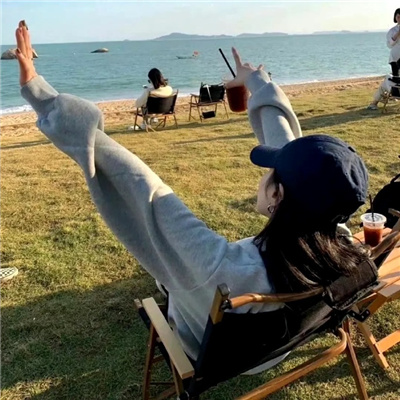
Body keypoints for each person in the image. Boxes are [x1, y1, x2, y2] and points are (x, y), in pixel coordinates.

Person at [15, 21, 371, 370]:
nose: (265, 176)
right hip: (280, 345)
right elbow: (298, 155)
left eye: (271, 172)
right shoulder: (340, 243)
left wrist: (38, 91)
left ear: (278, 195)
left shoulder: (214, 264)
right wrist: (256, 83)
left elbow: (140, 185)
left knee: (172, 273)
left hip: (221, 354)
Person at [386, 8, 400, 96]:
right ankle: (395, 95)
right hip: (394, 57)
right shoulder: (392, 31)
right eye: (398, 17)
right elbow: (389, 45)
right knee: (395, 77)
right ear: (395, 18)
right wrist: (398, 33)